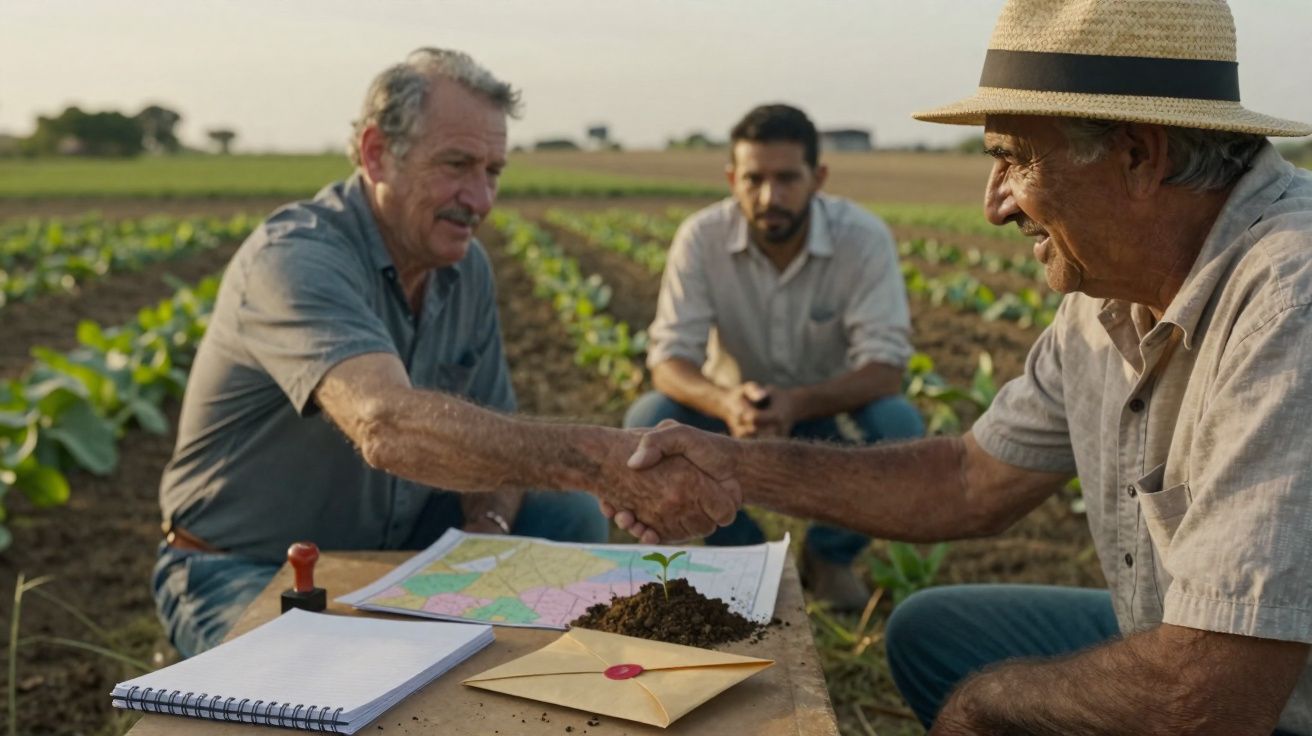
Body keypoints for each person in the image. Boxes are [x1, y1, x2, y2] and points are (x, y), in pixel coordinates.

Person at [611, 0, 1312, 733]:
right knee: (929, 635)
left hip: (1266, 703)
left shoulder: (1287, 298)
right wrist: (732, 466)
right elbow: (967, 479)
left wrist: (985, 708)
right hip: (1185, 656)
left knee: (990, 692)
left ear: (1139, 155)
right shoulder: (1104, 296)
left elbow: (1211, 696)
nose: (994, 203)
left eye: (1013, 157)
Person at [153, 48, 738, 658]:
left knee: (560, 519)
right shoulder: (296, 258)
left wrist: (486, 541)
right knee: (317, 687)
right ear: (377, 153)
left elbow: (499, 450)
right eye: (457, 164)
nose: (480, 199)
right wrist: (599, 460)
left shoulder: (463, 268)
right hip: (247, 565)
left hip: (399, 551)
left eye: (494, 171)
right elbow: (384, 423)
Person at [624, 104, 924, 611]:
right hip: (727, 414)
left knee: (900, 425)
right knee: (647, 421)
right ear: (731, 178)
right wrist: (725, 403)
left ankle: (827, 556)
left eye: (787, 178)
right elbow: (670, 358)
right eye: (754, 179)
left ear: (818, 178)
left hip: (827, 414)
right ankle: (745, 557)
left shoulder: (863, 239)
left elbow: (886, 367)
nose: (770, 197)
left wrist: (797, 403)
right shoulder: (702, 238)